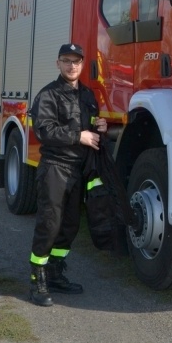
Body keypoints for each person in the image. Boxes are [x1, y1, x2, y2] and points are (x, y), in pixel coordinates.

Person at [27, 43, 107, 307]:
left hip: (78, 170)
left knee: (70, 226)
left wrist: (100, 126)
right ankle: (37, 280)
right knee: (49, 224)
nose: (72, 66)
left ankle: (55, 274)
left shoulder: (87, 94)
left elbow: (90, 126)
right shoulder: (48, 95)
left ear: (83, 65)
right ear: (58, 63)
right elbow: (45, 131)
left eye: (76, 62)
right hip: (55, 168)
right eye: (66, 61)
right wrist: (78, 136)